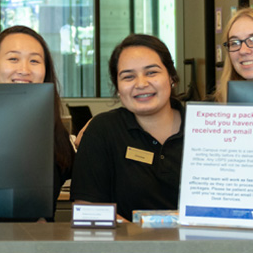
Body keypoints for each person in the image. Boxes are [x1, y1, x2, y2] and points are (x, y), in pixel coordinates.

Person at [71, 34, 184, 221]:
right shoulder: (103, 131)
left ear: (171, 77)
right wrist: (139, 239)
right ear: (117, 87)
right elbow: (87, 210)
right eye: (128, 76)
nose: (141, 84)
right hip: (126, 247)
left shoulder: (204, 128)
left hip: (201, 246)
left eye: (152, 72)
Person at [0, 26, 75, 219]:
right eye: (13, 59)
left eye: (34, 61)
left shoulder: (55, 133)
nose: (24, 70)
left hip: (38, 244)